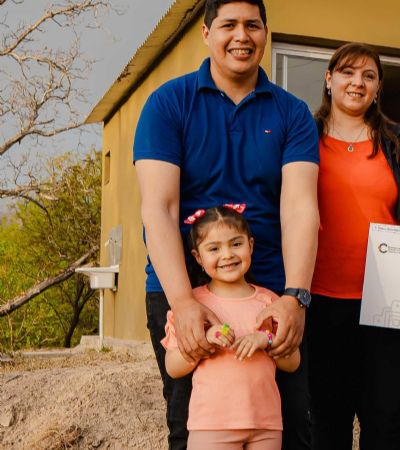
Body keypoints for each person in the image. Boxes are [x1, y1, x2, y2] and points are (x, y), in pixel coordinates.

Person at [133, 1, 319, 448]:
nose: (242, 36)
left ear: (266, 33)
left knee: (292, 424)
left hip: (271, 286)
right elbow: (158, 207)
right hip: (182, 282)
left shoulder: (293, 113)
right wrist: (183, 302)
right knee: (191, 423)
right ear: (206, 33)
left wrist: (295, 297)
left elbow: (300, 208)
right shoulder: (167, 103)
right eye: (229, 25)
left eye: (252, 25)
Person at [307, 42, 400, 450]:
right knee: (326, 426)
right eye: (348, 72)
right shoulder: (303, 134)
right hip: (320, 302)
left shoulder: (398, 141)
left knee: (385, 425)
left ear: (378, 87)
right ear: (329, 79)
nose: (358, 82)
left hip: (389, 306)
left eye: (369, 76)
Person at [163, 205, 301, 450]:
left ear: (251, 245)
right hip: (212, 426)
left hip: (265, 425)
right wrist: (204, 340)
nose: (227, 255)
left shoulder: (271, 302)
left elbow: (292, 362)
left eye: (236, 244)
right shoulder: (193, 307)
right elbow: (173, 368)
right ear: (198, 257)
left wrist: (266, 340)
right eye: (214, 249)